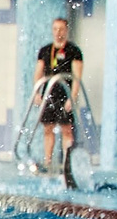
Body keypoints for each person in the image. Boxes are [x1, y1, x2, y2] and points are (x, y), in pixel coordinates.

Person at [30, 16, 86, 189]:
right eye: (55, 29)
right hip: (49, 93)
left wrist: (72, 97)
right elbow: (38, 73)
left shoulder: (73, 51)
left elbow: (77, 77)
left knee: (66, 130)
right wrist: (37, 92)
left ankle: (66, 165)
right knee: (48, 129)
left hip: (65, 93)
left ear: (66, 30)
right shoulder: (45, 50)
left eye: (61, 29)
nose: (58, 32)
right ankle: (48, 163)